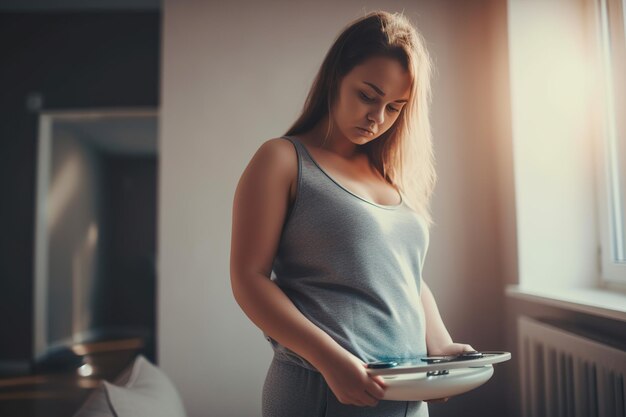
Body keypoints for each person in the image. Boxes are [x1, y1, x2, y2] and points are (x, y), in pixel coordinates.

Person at [230, 10, 474, 417]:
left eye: (395, 107)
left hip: (405, 396)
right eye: (368, 95)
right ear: (335, 77)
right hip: (322, 388)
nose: (378, 118)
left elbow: (406, 277)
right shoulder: (283, 159)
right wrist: (328, 359)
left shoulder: (391, 176)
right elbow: (248, 280)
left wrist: (442, 346)